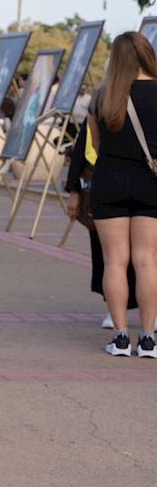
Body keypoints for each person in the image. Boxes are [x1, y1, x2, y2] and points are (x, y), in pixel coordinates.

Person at [85, 31, 157, 357]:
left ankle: (120, 337)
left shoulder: (103, 96)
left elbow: (95, 143)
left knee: (114, 261)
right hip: (150, 184)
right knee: (147, 261)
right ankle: (148, 339)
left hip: (109, 182)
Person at [65, 101, 138, 329]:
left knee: (142, 257)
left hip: (131, 186)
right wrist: (74, 191)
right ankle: (115, 309)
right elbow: (83, 147)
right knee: (112, 254)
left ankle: (145, 312)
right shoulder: (105, 101)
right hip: (105, 185)